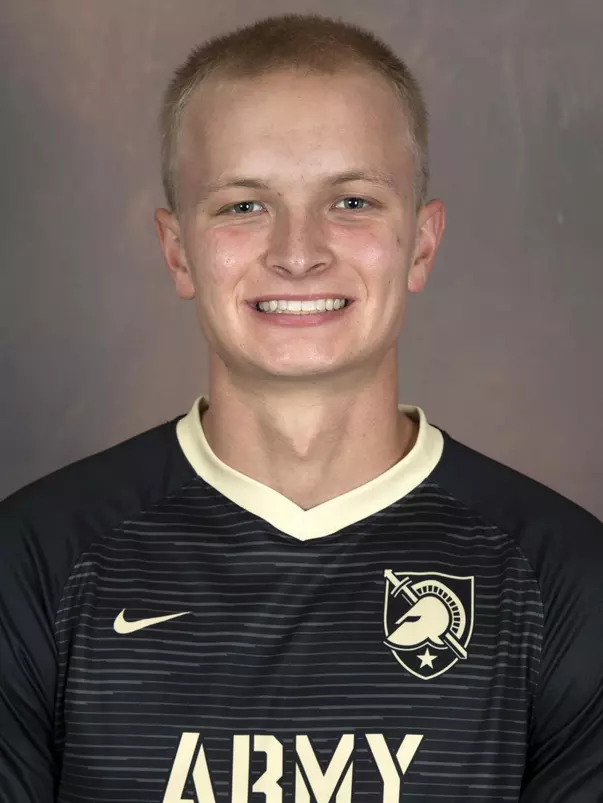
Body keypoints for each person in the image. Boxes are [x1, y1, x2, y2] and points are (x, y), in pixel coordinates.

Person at [1, 12, 602, 803]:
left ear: (421, 244)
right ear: (178, 250)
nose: (297, 252)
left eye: (350, 201)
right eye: (243, 206)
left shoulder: (563, 578)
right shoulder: (33, 561)